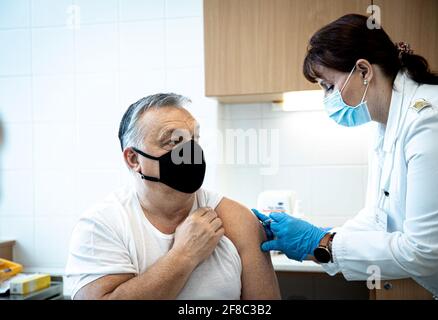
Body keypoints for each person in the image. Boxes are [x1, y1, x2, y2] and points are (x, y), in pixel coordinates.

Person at [253, 14, 438, 299]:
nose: (327, 99)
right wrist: (323, 236)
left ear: (364, 71)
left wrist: (321, 243)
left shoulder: (431, 120)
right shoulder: (384, 124)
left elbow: (424, 252)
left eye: (329, 86)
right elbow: (377, 217)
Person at [66, 93, 280, 300]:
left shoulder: (237, 219)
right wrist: (184, 256)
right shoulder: (102, 225)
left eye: (193, 140)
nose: (189, 152)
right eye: (172, 141)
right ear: (133, 159)